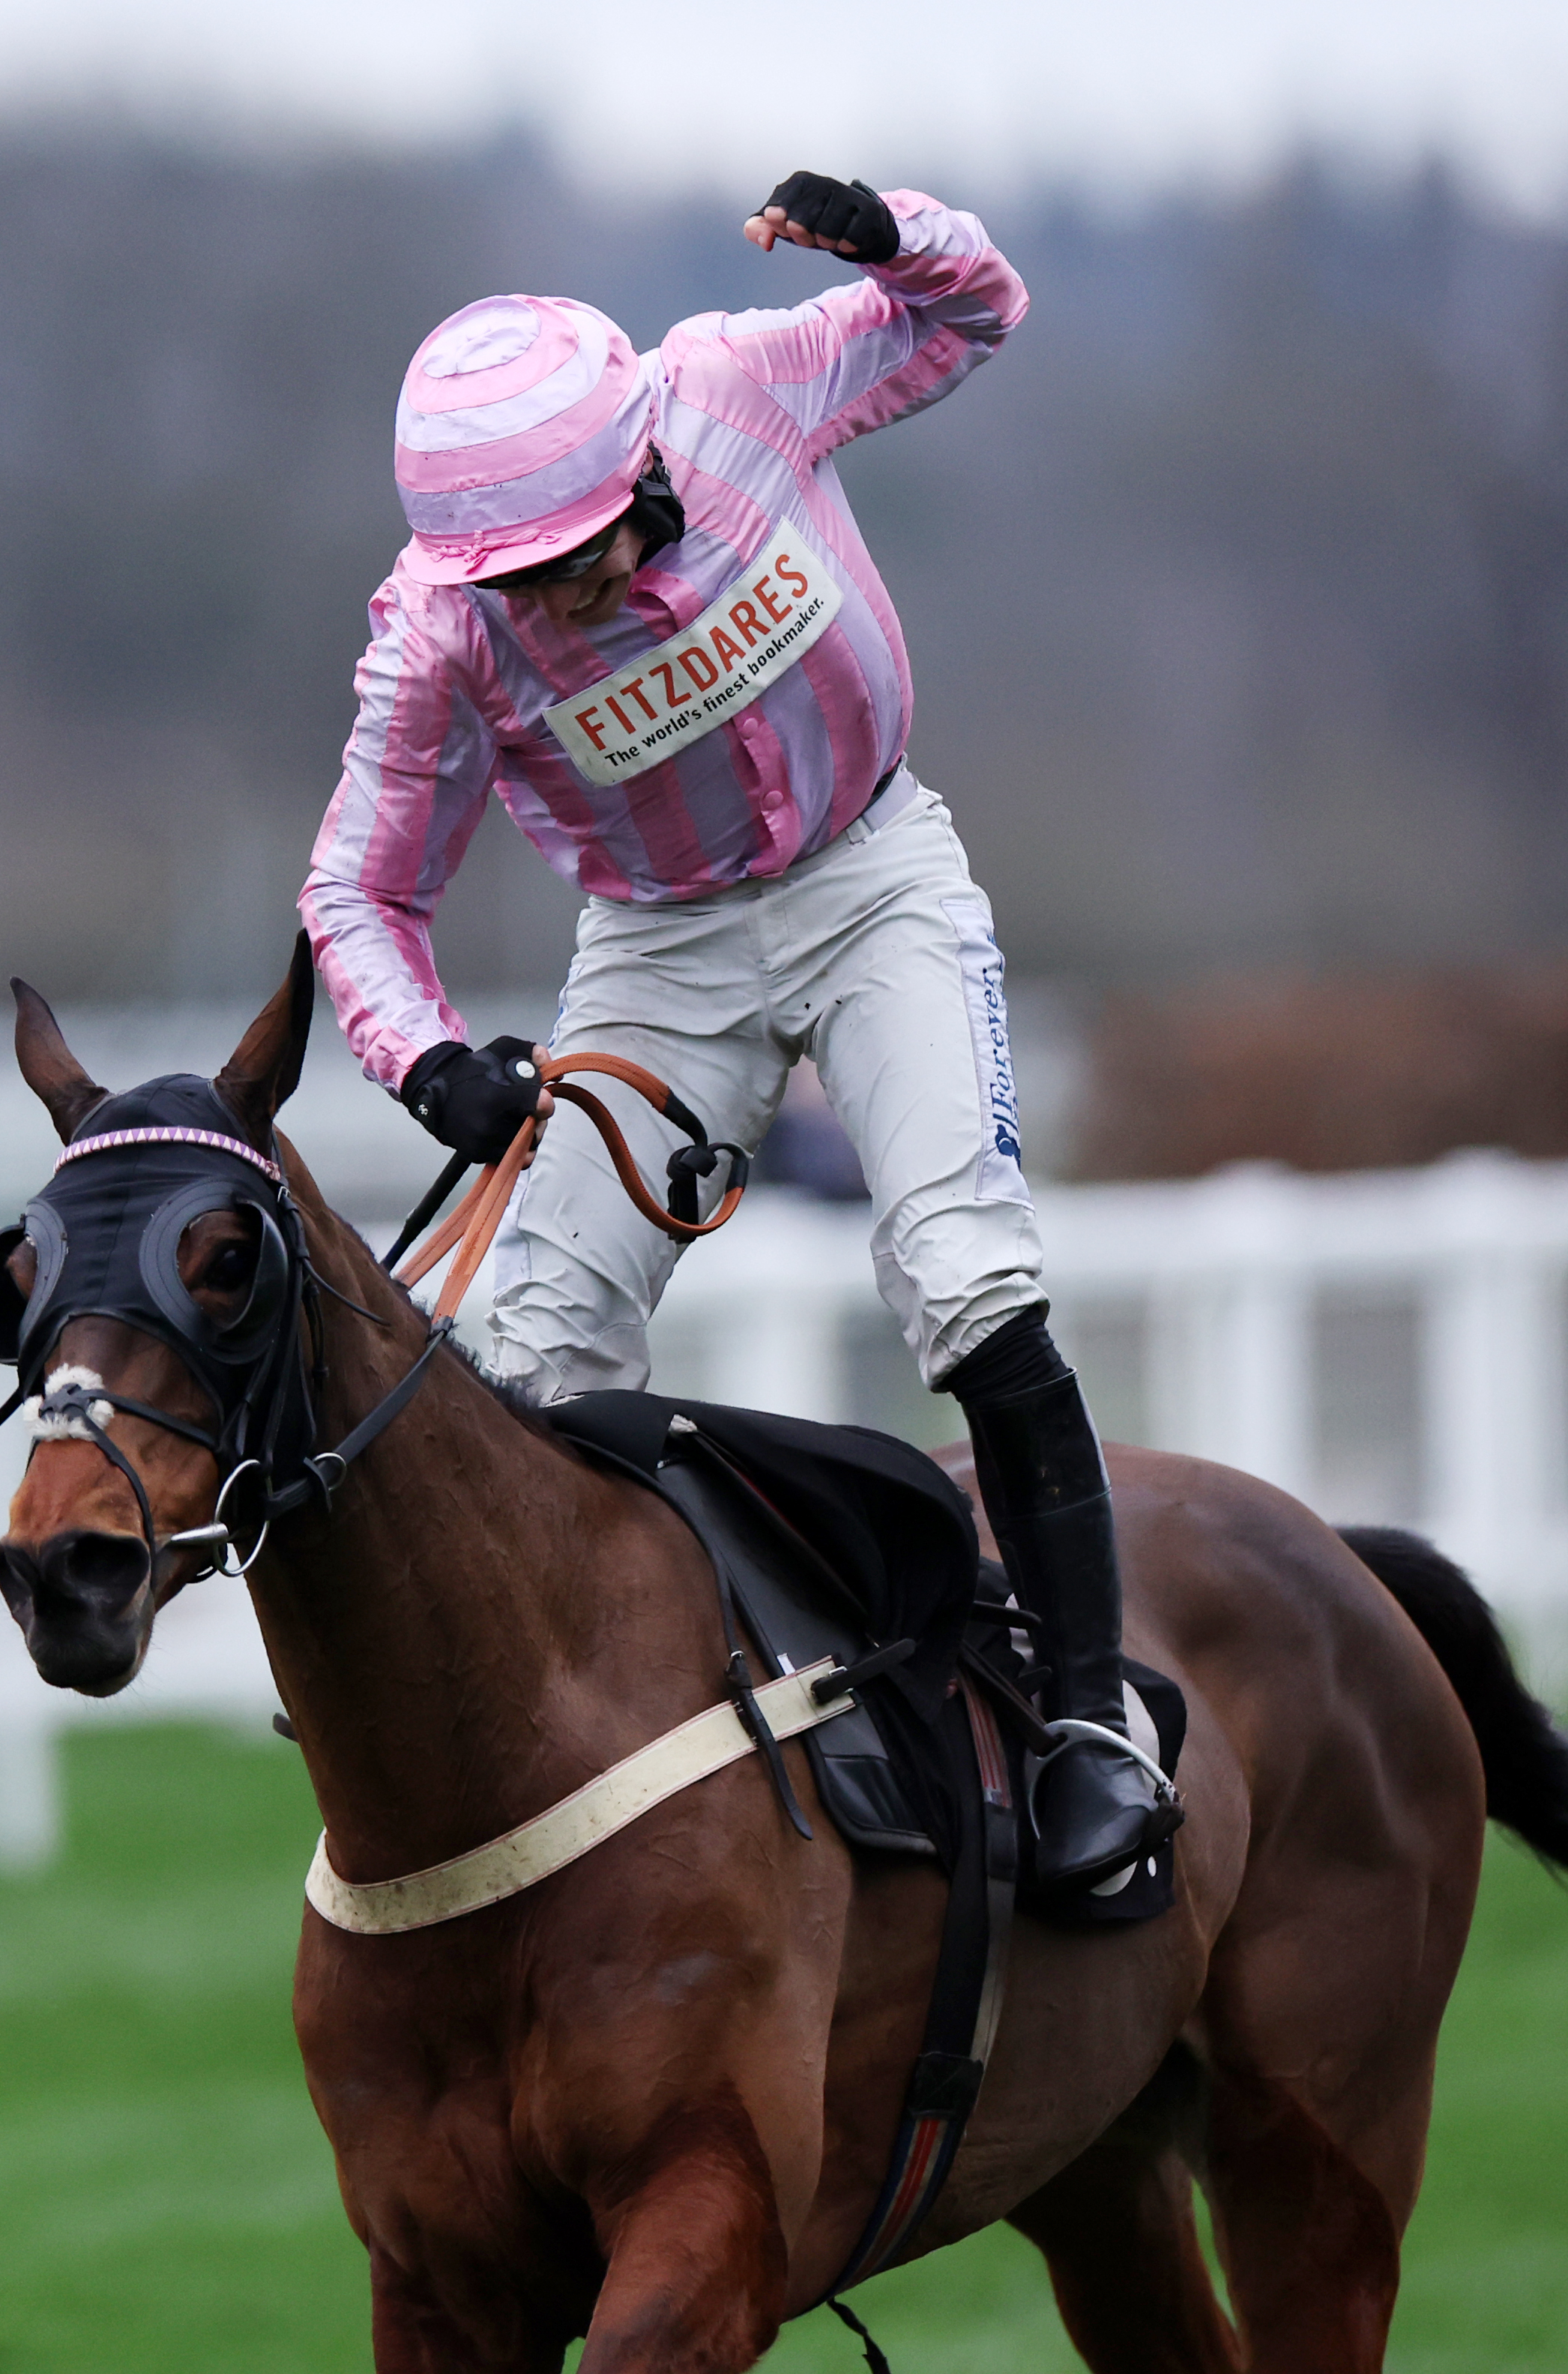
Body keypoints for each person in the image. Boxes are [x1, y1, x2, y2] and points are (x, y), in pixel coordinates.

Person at [298, 171, 1173, 1885]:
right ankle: (544, 1768)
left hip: (874, 879)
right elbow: (357, 893)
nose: (550, 603)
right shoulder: (440, 636)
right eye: (512, 580)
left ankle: (1091, 1723)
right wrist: (429, 1062)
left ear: (641, 464)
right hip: (658, 952)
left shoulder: (733, 385)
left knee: (965, 1277)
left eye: (569, 560)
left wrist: (889, 230)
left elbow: (974, 310)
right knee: (528, 1361)